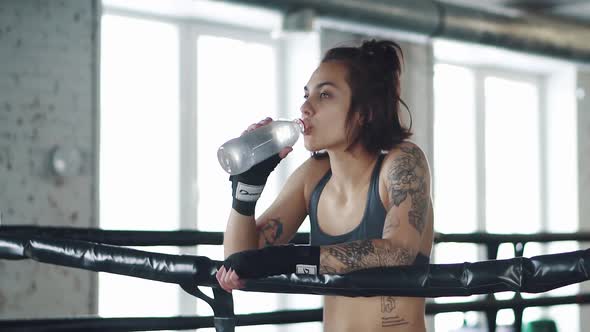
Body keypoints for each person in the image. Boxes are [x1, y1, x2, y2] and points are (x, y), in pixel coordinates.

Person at [216, 39, 434, 332]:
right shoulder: (313, 176)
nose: (305, 107)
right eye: (306, 95)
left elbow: (398, 252)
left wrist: (294, 258)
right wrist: (247, 191)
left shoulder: (401, 162)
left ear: (364, 112)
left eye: (325, 95)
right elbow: (239, 261)